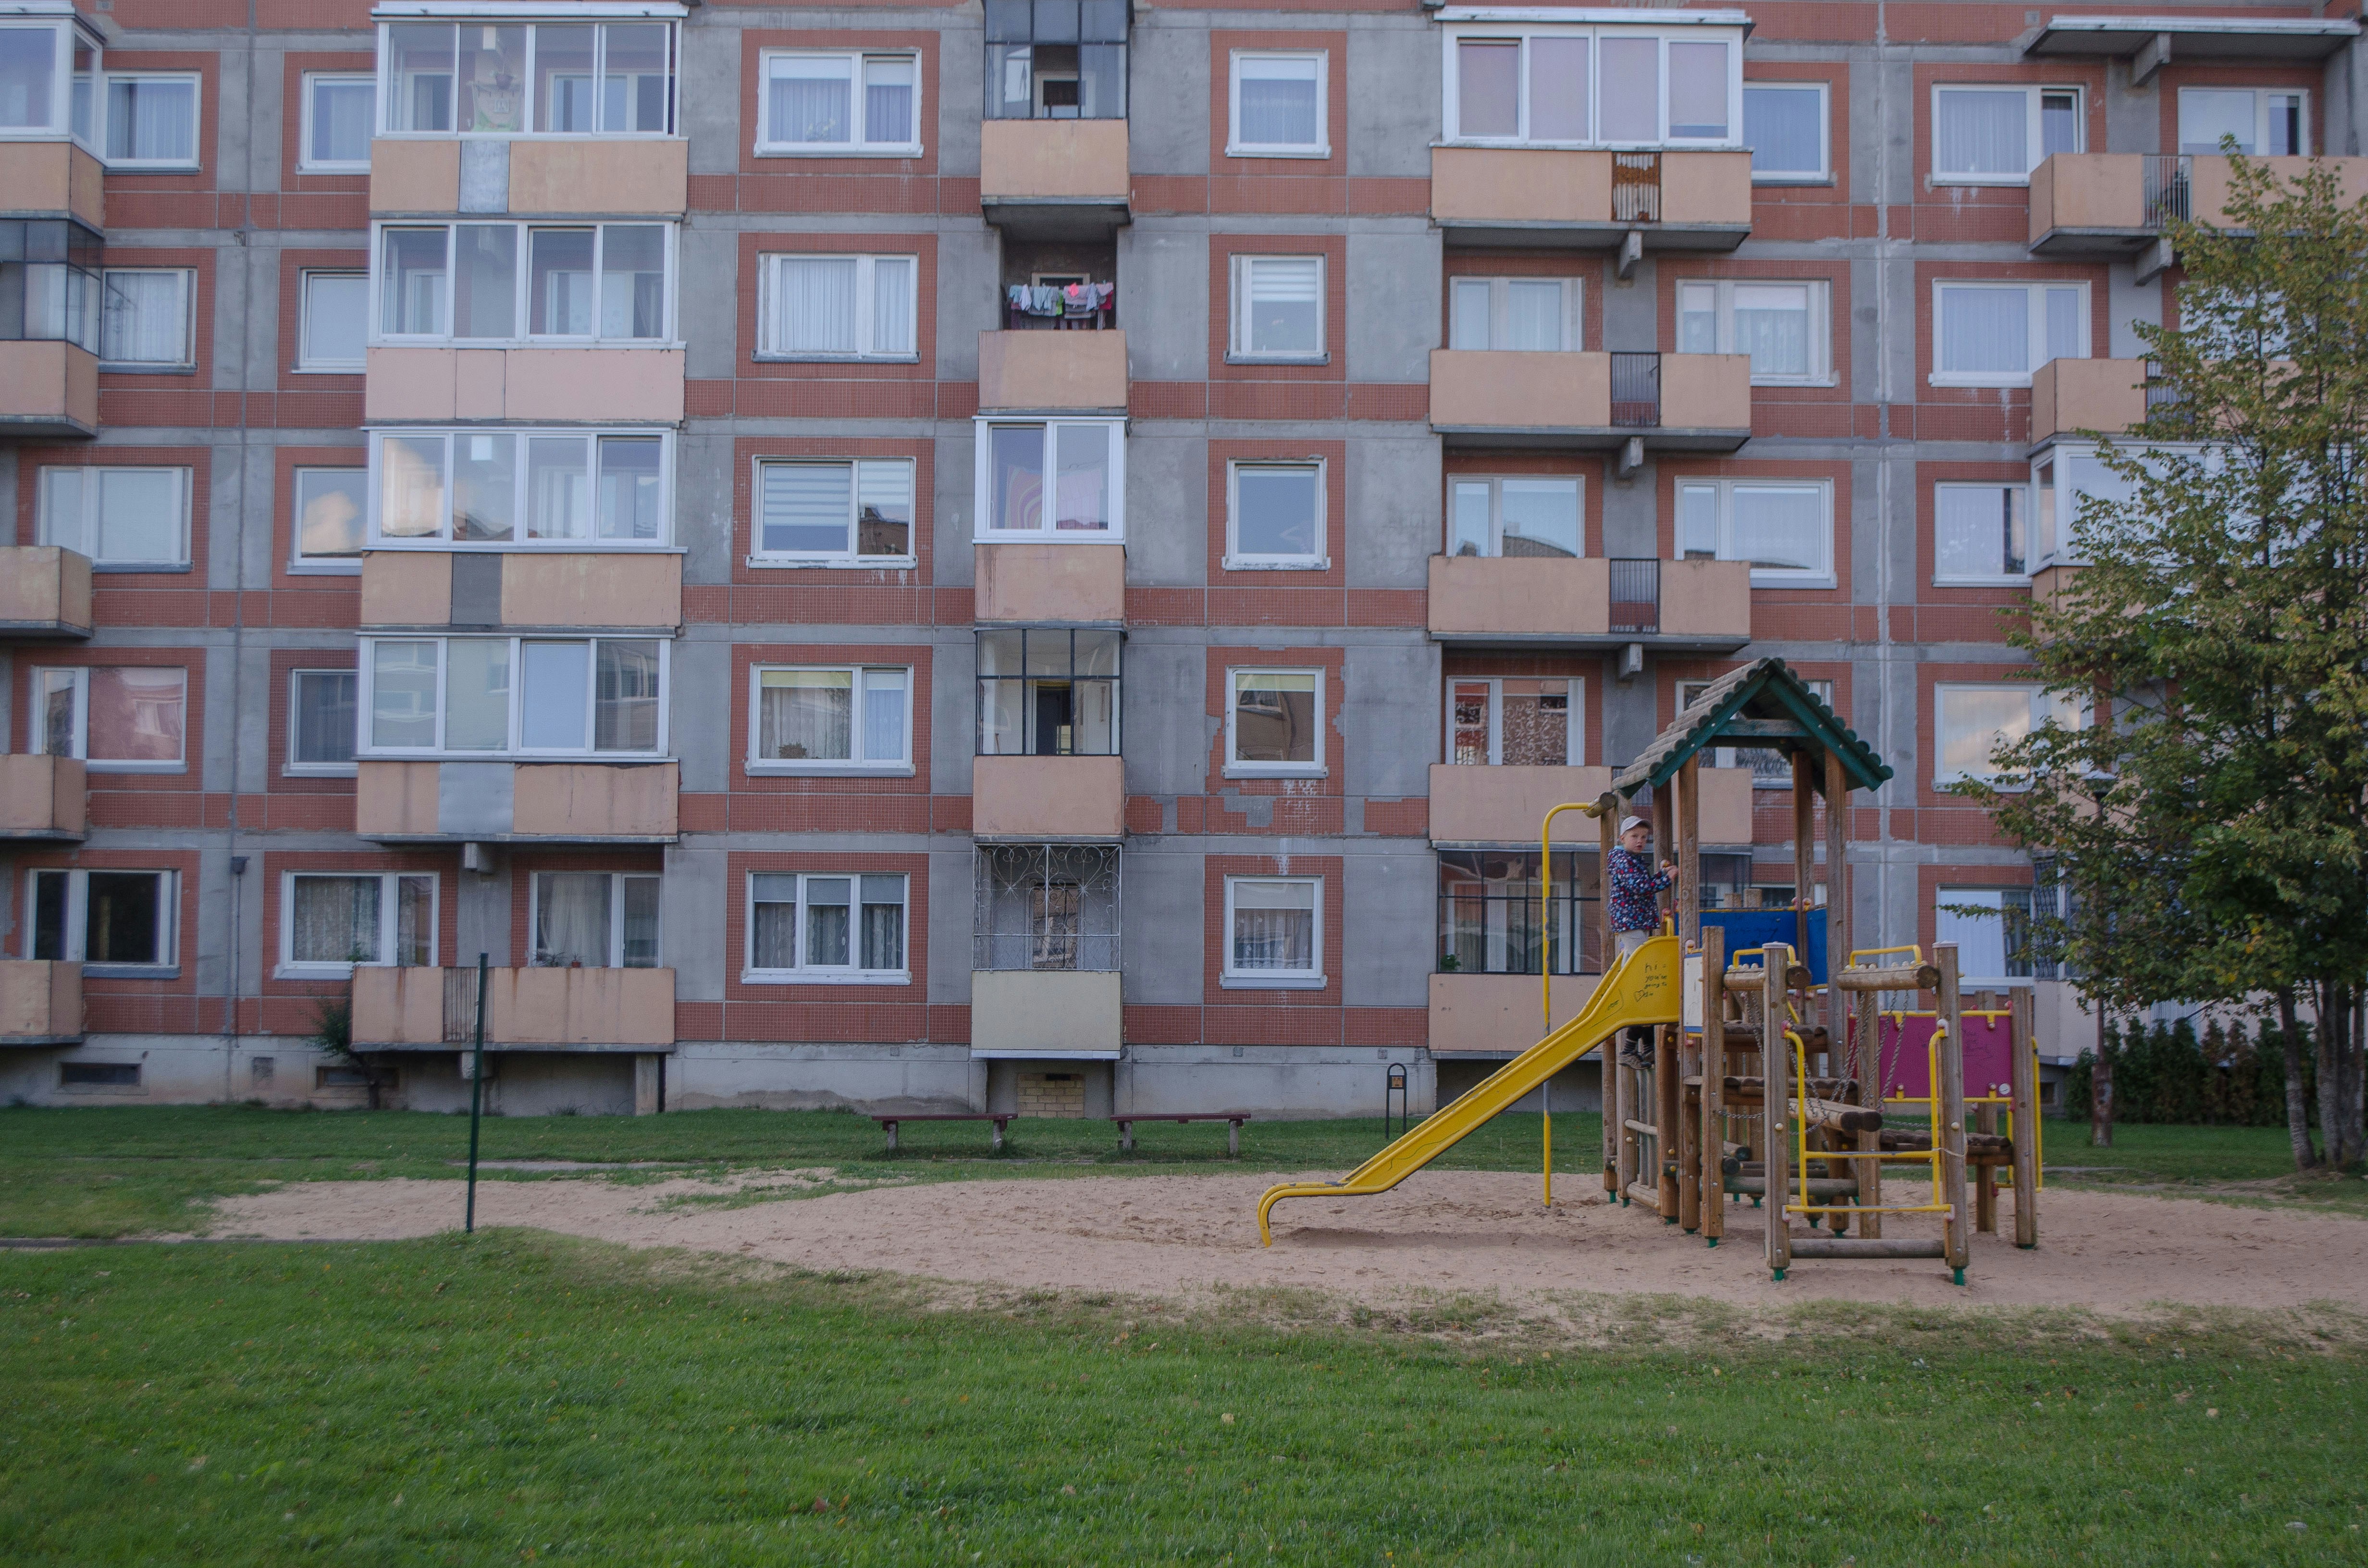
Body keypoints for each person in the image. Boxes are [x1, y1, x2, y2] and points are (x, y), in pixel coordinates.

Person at [1607, 815, 1675, 1068]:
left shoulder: (1629, 859)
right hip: (1631, 923)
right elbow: (1639, 887)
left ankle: (1646, 1048)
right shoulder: (1623, 860)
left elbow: (1642, 884)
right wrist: (1667, 878)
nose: (1640, 841)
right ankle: (1628, 1050)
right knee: (1642, 984)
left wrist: (1661, 875)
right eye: (1634, 837)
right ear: (1622, 838)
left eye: (1644, 837)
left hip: (1635, 923)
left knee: (1639, 980)